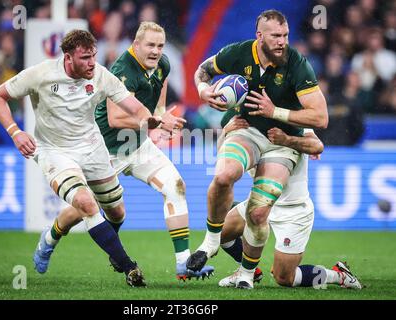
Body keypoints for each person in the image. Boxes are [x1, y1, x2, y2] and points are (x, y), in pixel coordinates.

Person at [0, 29, 185, 287]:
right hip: (54, 151)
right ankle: (128, 266)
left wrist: (149, 118)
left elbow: (132, 105)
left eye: (93, 56)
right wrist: (15, 132)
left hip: (93, 148)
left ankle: (51, 237)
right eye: (84, 58)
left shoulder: (102, 75)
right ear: (68, 58)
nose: (92, 63)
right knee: (86, 203)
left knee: (116, 212)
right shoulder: (41, 74)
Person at [186, 9, 328, 290]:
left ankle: (248, 275)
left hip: (281, 143)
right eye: (276, 35)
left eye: (285, 35)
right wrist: (203, 91)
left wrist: (277, 112)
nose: (282, 41)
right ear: (259, 36)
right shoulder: (238, 54)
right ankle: (210, 242)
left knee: (280, 266)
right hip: (250, 132)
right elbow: (203, 70)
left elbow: (321, 119)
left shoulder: (296, 65)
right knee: (224, 176)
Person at [62, 22, 214, 281]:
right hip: (106, 152)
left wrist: (160, 112)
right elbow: (115, 120)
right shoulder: (122, 71)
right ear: (136, 45)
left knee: (176, 186)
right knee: (84, 209)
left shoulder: (162, 63)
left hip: (139, 146)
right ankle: (51, 238)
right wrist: (155, 123)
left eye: (160, 45)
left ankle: (182, 265)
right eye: (150, 45)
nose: (156, 51)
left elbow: (162, 82)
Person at [217, 117, 362, 290]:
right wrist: (225, 132)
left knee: (284, 277)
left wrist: (287, 140)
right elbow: (224, 157)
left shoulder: (290, 120)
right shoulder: (244, 124)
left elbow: (316, 144)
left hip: (292, 210)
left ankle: (339, 275)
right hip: (259, 203)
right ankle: (247, 271)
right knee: (218, 234)